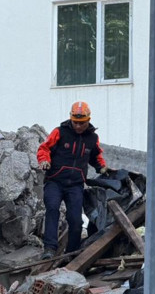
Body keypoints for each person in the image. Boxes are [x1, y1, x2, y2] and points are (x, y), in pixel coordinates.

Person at [36, 101, 109, 259]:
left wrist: (102, 167)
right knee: (52, 209)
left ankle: (71, 253)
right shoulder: (60, 132)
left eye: (82, 123)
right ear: (71, 119)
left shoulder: (92, 138)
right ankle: (49, 249)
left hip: (75, 185)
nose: (78, 126)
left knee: (76, 220)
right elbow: (44, 148)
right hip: (55, 181)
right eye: (75, 122)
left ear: (88, 120)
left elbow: (96, 156)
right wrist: (44, 160)